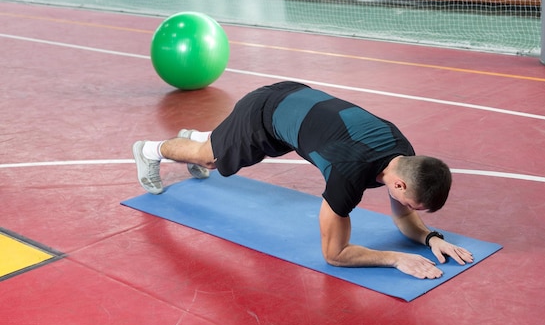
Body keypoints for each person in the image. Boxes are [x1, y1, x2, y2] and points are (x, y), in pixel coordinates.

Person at [132, 81, 473, 279]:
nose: (407, 209)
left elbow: (404, 218)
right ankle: (151, 150)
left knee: (215, 147)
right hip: (263, 115)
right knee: (210, 157)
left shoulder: (404, 155)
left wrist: (431, 239)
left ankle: (206, 138)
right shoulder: (348, 174)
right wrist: (395, 258)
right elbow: (335, 254)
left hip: (297, 104)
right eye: (412, 203)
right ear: (399, 185)